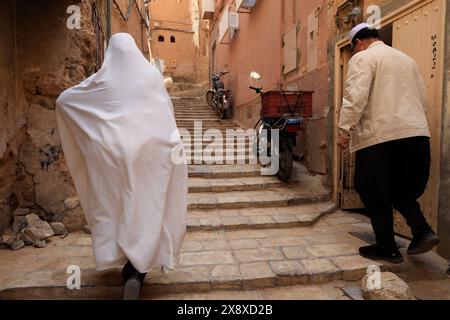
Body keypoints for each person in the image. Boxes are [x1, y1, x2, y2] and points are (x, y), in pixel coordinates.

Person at [56, 33, 187, 299]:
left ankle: (129, 263)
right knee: (151, 208)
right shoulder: (151, 77)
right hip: (155, 153)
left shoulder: (103, 80)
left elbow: (65, 100)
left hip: (113, 155)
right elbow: (166, 115)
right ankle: (137, 269)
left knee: (117, 205)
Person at [338, 23, 440, 264]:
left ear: (358, 43)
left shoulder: (364, 58)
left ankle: (387, 248)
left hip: (380, 137)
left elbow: (355, 96)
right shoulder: (407, 60)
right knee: (401, 190)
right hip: (415, 134)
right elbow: (422, 99)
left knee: (373, 192)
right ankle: (422, 231)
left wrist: (344, 130)